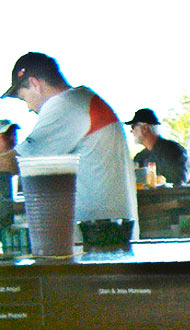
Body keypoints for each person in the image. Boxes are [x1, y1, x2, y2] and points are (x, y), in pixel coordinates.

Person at [0, 52, 139, 238]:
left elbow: (17, 161)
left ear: (34, 83)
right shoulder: (84, 99)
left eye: (24, 98)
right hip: (111, 231)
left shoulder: (67, 104)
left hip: (97, 238)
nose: (29, 108)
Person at [125, 109, 188, 186]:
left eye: (133, 127)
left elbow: (177, 185)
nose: (132, 132)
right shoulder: (140, 157)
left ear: (145, 128)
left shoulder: (172, 151)